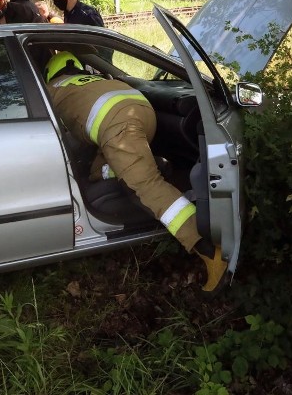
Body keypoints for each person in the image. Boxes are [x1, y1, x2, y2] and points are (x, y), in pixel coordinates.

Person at [43, 51, 228, 293]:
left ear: (51, 74)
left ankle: (208, 250)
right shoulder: (93, 79)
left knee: (145, 187)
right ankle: (151, 164)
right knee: (98, 172)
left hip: (118, 128)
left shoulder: (51, 91)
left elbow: (63, 139)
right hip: (142, 112)